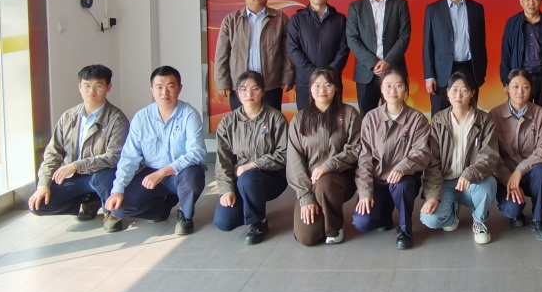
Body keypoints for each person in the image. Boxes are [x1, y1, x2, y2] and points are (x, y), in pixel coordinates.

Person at [28, 64, 130, 232]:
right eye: (87, 86)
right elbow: (53, 153)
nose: (92, 91)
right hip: (74, 177)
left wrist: (76, 165)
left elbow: (114, 157)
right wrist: (43, 185)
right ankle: (88, 201)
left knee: (104, 178)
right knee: (39, 205)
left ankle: (111, 213)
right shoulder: (68, 117)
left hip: (100, 174)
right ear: (79, 88)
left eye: (98, 86)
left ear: (108, 87)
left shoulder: (117, 119)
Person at [106, 66, 207, 235]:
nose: (164, 92)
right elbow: (129, 157)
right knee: (119, 209)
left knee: (193, 177)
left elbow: (196, 152)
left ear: (179, 88)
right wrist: (118, 190)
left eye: (170, 86)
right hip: (150, 172)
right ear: (152, 90)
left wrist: (163, 172)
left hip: (180, 172)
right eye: (159, 87)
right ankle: (161, 208)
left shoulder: (189, 114)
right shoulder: (141, 117)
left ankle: (185, 215)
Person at [354, 68, 431, 250]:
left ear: (406, 89)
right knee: (362, 222)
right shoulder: (370, 118)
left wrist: (402, 168)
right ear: (381, 89)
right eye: (388, 86)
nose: (393, 91)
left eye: (398, 86)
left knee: (402, 185)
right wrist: (365, 192)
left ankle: (405, 229)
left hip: (403, 180)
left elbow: (421, 153)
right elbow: (364, 159)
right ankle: (385, 212)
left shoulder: (417, 119)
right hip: (377, 181)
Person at [419, 72, 500, 245]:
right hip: (446, 182)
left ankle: (479, 220)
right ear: (447, 93)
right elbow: (432, 163)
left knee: (488, 186)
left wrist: (469, 173)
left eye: (464, 90)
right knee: (430, 219)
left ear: (472, 93)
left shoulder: (485, 120)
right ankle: (452, 211)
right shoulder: (438, 121)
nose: (458, 95)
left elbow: (489, 156)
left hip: (472, 182)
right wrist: (433, 195)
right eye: (454, 90)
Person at [210, 70, 289, 244]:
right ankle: (250, 207)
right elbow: (223, 161)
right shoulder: (228, 123)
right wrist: (226, 189)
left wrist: (252, 165)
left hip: (272, 177)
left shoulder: (276, 118)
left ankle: (258, 222)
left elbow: (284, 153)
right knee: (224, 222)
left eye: (255, 89)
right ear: (237, 93)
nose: (249, 94)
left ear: (263, 91)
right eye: (244, 89)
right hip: (240, 180)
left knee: (249, 178)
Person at [287, 68, 361, 246]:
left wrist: (328, 165)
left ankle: (335, 227)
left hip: (340, 179)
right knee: (308, 238)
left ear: (336, 88)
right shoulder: (299, 120)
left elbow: (357, 148)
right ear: (310, 89)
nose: (322, 90)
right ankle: (321, 218)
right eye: (317, 85)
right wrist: (305, 196)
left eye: (328, 85)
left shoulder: (349, 114)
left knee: (325, 183)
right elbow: (294, 161)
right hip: (309, 184)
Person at [489, 69, 542, 242]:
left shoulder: (541, 113)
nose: (520, 91)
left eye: (525, 87)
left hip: (533, 172)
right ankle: (516, 212)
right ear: (506, 88)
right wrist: (509, 178)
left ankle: (538, 219)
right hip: (506, 175)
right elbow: (491, 154)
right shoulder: (494, 115)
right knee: (512, 209)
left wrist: (521, 170)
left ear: (531, 89)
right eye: (515, 86)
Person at [213, 0, 294, 110]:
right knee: (241, 121)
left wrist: (288, 77)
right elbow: (222, 54)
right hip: (240, 85)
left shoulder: (280, 19)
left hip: (270, 85)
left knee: (271, 121)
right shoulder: (231, 20)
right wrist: (222, 81)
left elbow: (288, 52)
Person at [345, 0, 411, 116]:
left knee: (396, 115)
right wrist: (373, 62)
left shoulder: (400, 4)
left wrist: (388, 61)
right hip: (366, 72)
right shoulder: (356, 7)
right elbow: (352, 38)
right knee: (367, 117)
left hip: (393, 70)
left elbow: (404, 36)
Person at [423, 0, 488, 114]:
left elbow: (481, 43)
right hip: (442, 70)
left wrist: (481, 72)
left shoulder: (476, 9)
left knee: (469, 113)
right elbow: (428, 45)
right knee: (440, 114)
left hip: (469, 68)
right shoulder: (433, 9)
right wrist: (429, 76)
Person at [286, 0, 349, 111]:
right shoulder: (297, 20)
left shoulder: (340, 19)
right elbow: (293, 49)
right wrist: (315, 75)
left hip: (332, 82)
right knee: (306, 121)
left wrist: (328, 75)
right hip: (306, 82)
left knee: (333, 120)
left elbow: (344, 49)